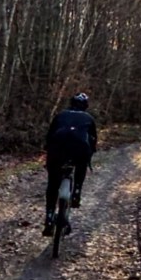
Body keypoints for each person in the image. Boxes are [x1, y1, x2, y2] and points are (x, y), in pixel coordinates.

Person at [43, 92, 97, 235]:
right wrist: (90, 154)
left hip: (57, 149)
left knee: (53, 184)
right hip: (80, 148)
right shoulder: (89, 118)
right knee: (81, 163)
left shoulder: (60, 115)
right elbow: (93, 141)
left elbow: (49, 136)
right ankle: (77, 191)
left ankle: (49, 217)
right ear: (85, 106)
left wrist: (48, 150)